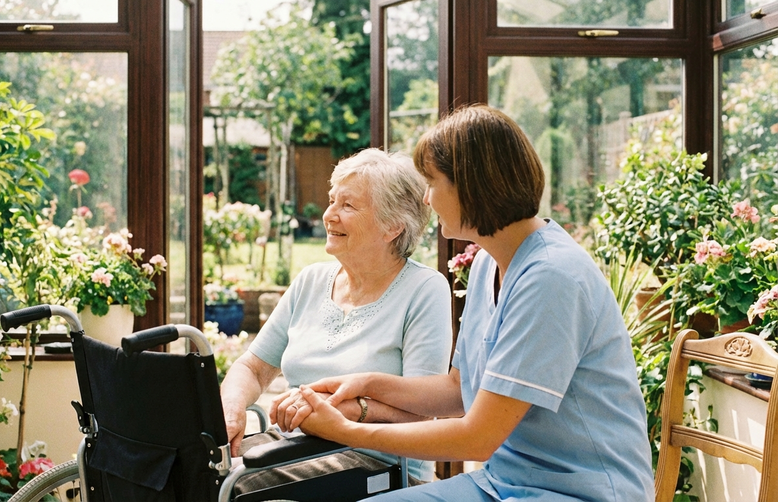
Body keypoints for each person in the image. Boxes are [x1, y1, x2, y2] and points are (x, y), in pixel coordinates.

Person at [284, 105, 655, 501]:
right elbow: (458, 390)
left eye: (432, 182)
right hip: (504, 484)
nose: (425, 199)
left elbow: (478, 438)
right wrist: (368, 383)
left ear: (474, 185)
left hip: (582, 492)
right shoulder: (486, 264)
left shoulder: (553, 276)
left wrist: (346, 431)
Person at [219, 148, 453, 489]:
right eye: (332, 200)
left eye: (348, 205)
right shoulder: (311, 280)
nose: (329, 215)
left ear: (392, 227)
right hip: (292, 444)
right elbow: (253, 369)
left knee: (244, 488)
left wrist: (354, 409)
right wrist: (232, 408)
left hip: (376, 458)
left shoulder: (424, 289)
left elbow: (424, 411)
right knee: (197, 471)